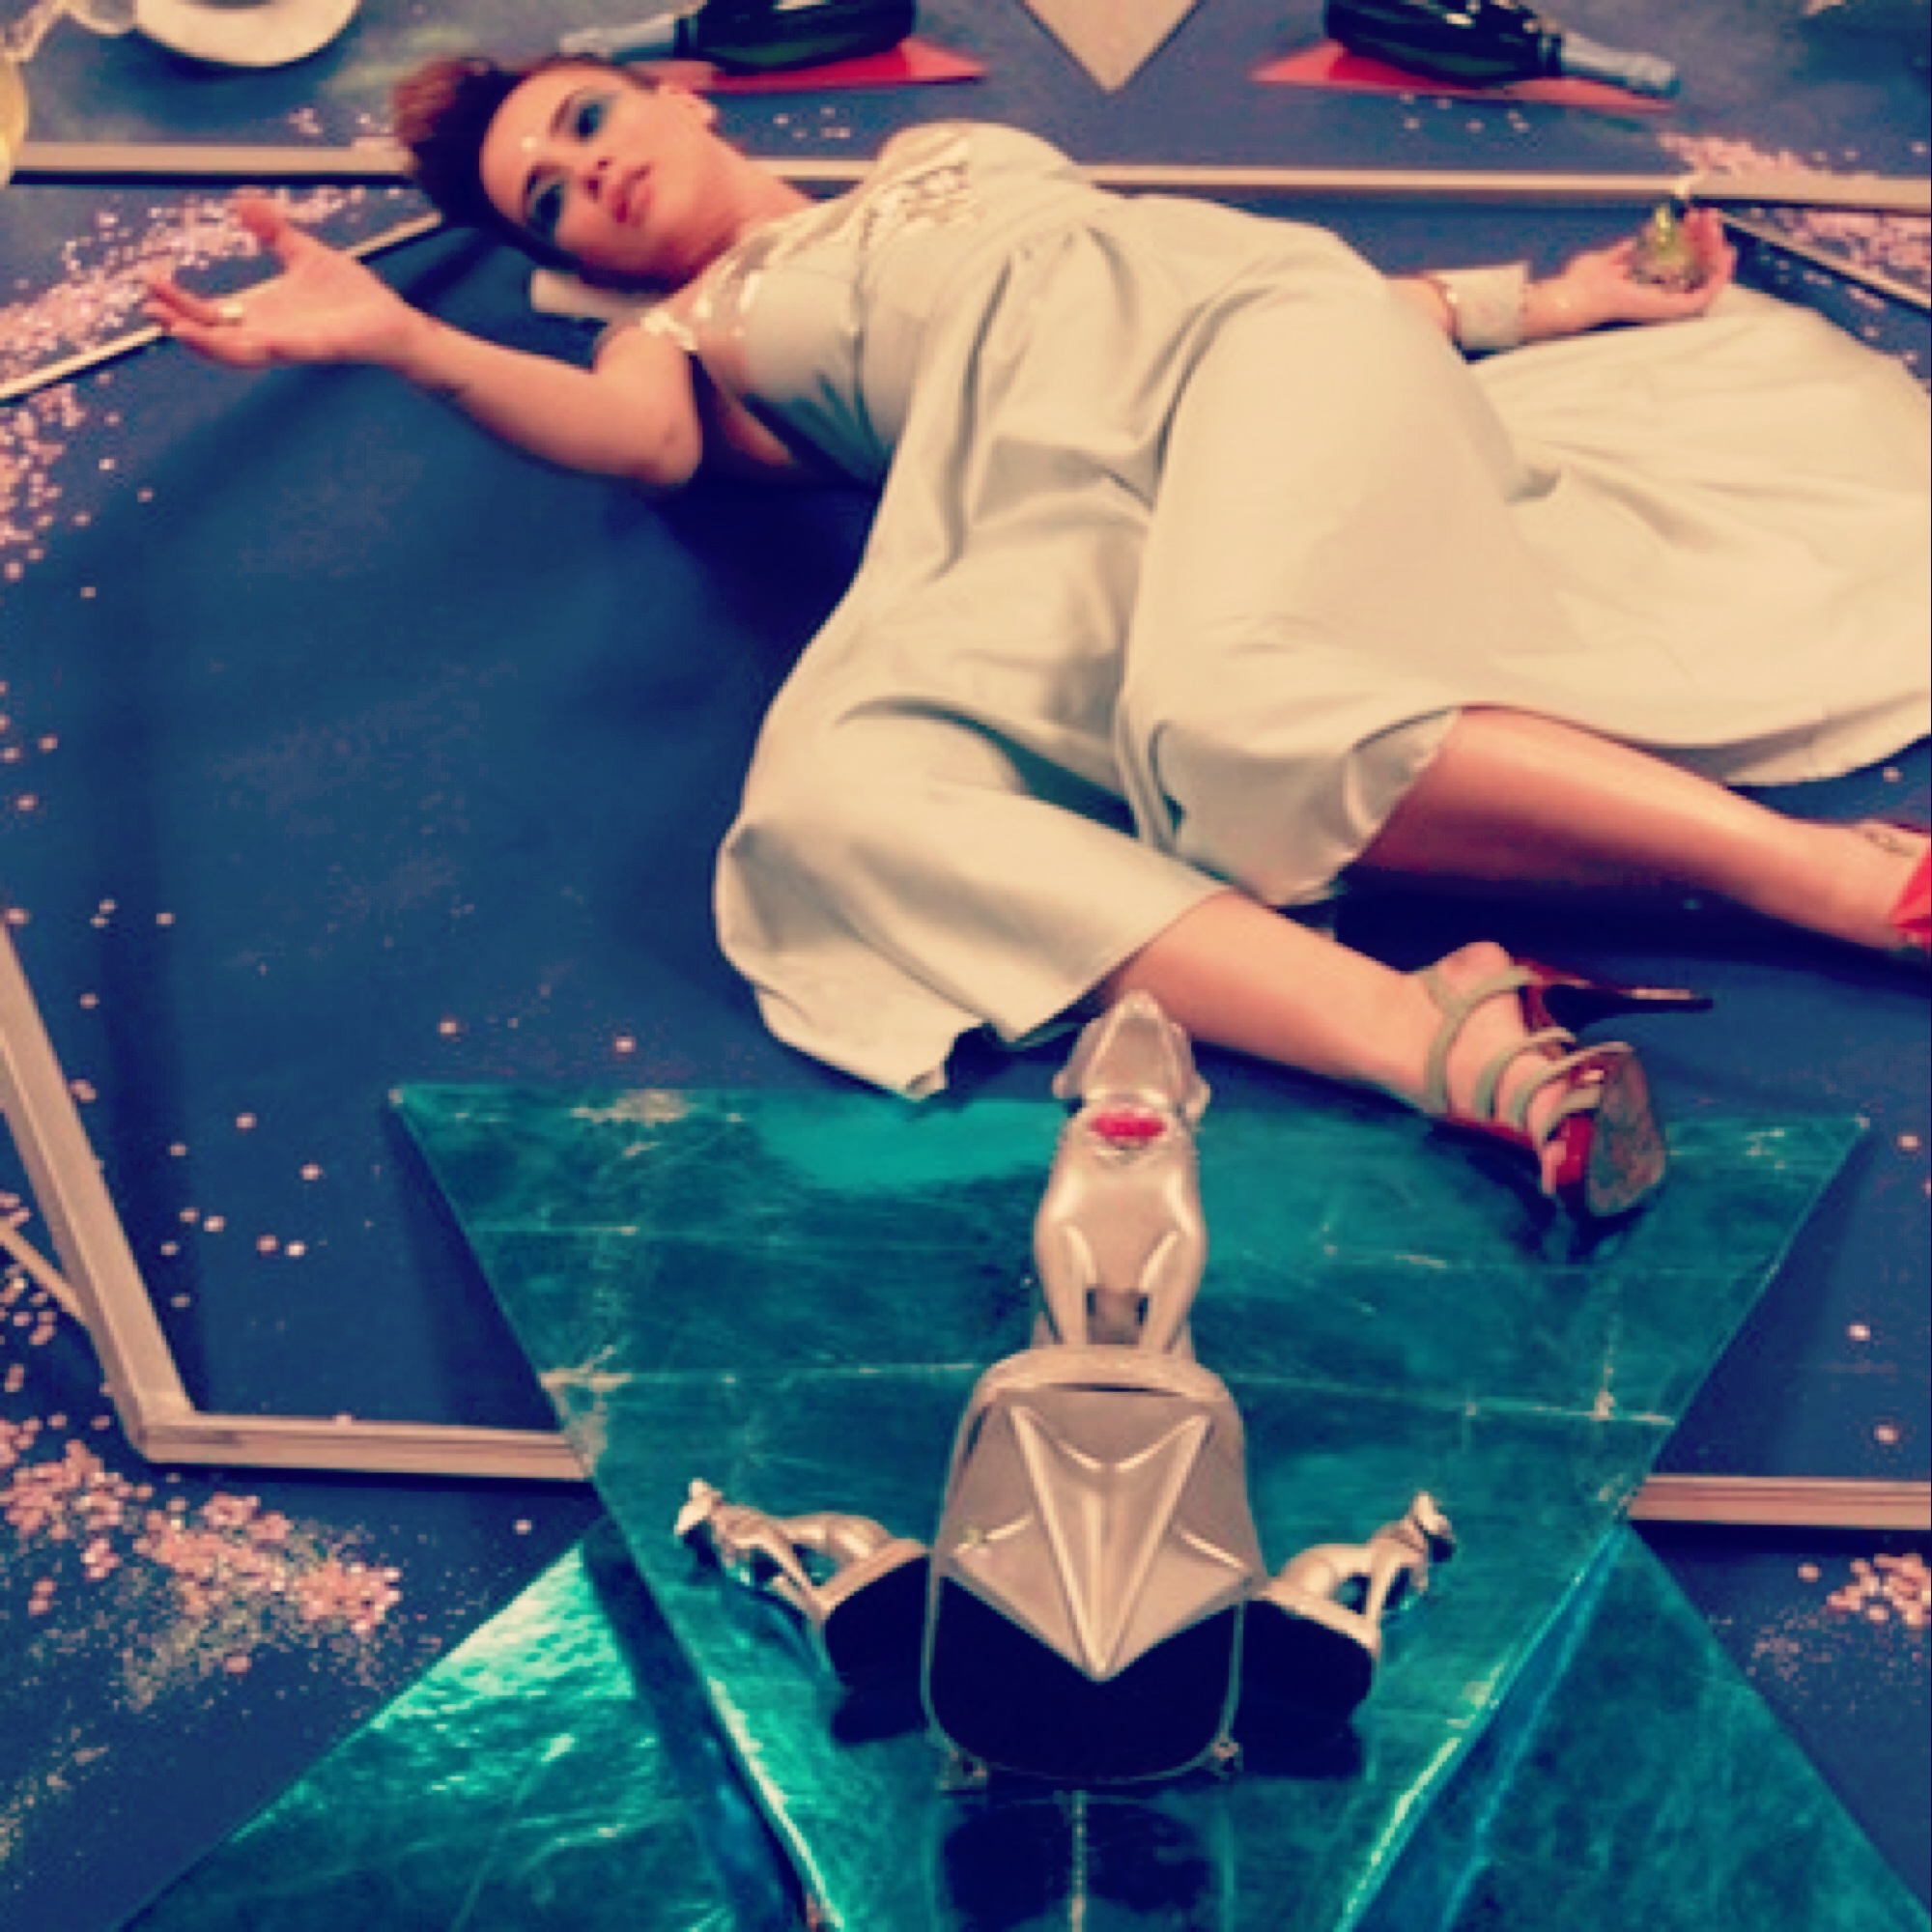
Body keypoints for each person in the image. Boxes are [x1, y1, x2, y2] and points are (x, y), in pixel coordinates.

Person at [144, 57, 1932, 1223]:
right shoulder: (682, 331)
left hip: (1251, 352)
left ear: (676, 94)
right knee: (831, 804)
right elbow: (634, 442)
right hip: (1038, 511)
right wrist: (411, 344)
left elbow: (1201, 273)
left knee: (1230, 714)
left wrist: (1543, 304)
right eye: (544, 196)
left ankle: (1833, 878)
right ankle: (1430, 1032)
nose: (585, 174)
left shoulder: (939, 150)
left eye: (587, 120)